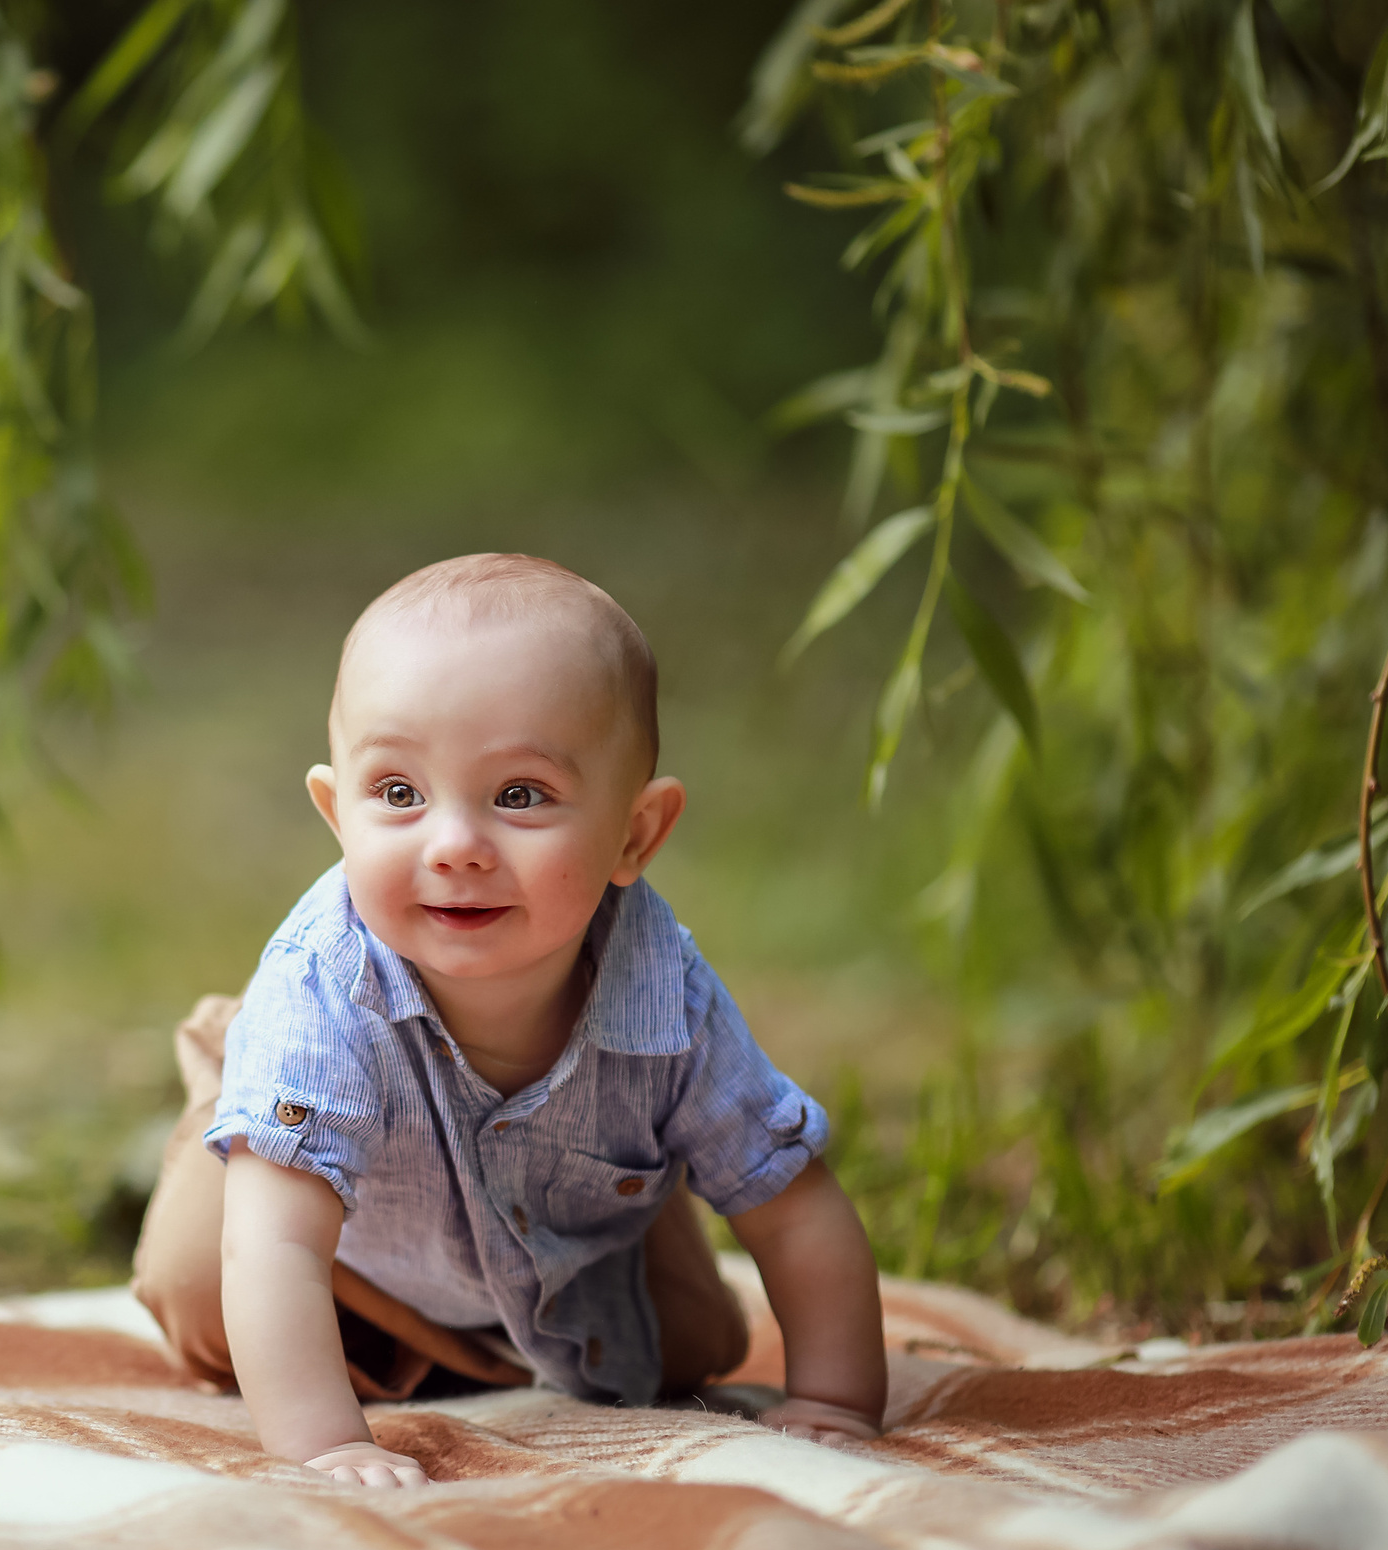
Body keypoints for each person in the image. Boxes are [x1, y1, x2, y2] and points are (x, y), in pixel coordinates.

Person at [131, 553, 887, 1488]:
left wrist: (837, 1401)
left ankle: (633, 1190)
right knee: (207, 1287)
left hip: (561, 1218)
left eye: (519, 795)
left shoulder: (666, 992)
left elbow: (794, 1203)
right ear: (336, 813)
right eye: (399, 793)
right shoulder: (324, 991)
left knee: (691, 1354)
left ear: (636, 835)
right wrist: (329, 1447)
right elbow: (275, 1243)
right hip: (334, 1221)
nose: (455, 846)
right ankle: (233, 1078)